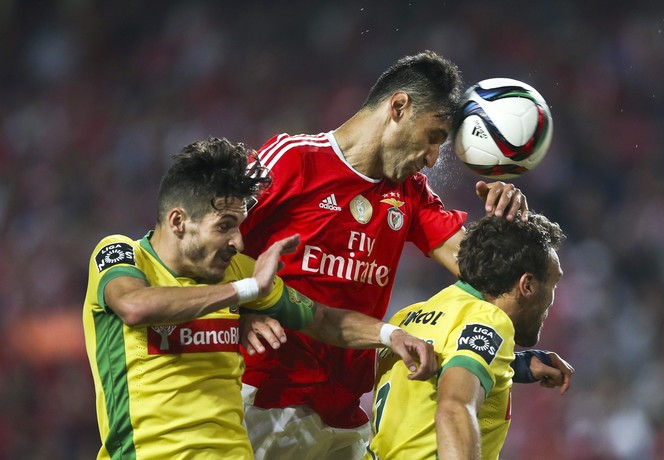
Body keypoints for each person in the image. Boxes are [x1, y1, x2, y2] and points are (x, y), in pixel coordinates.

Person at [239, 50, 573, 459]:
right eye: (433, 136)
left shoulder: (409, 194)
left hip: (343, 414)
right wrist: (236, 311)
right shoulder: (292, 160)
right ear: (399, 107)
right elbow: (197, 244)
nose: (434, 158)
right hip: (268, 397)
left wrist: (505, 221)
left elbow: (487, 276)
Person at [82, 137, 437, 459]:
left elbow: (324, 320)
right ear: (178, 222)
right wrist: (246, 293)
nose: (237, 241)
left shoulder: (238, 270)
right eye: (224, 226)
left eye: (238, 225)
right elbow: (134, 306)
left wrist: (392, 335)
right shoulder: (122, 254)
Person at [367, 212, 570, 459]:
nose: (552, 298)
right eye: (553, 283)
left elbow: (441, 370)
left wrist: (515, 365)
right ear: (527, 285)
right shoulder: (491, 320)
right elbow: (453, 408)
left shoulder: (406, 318)